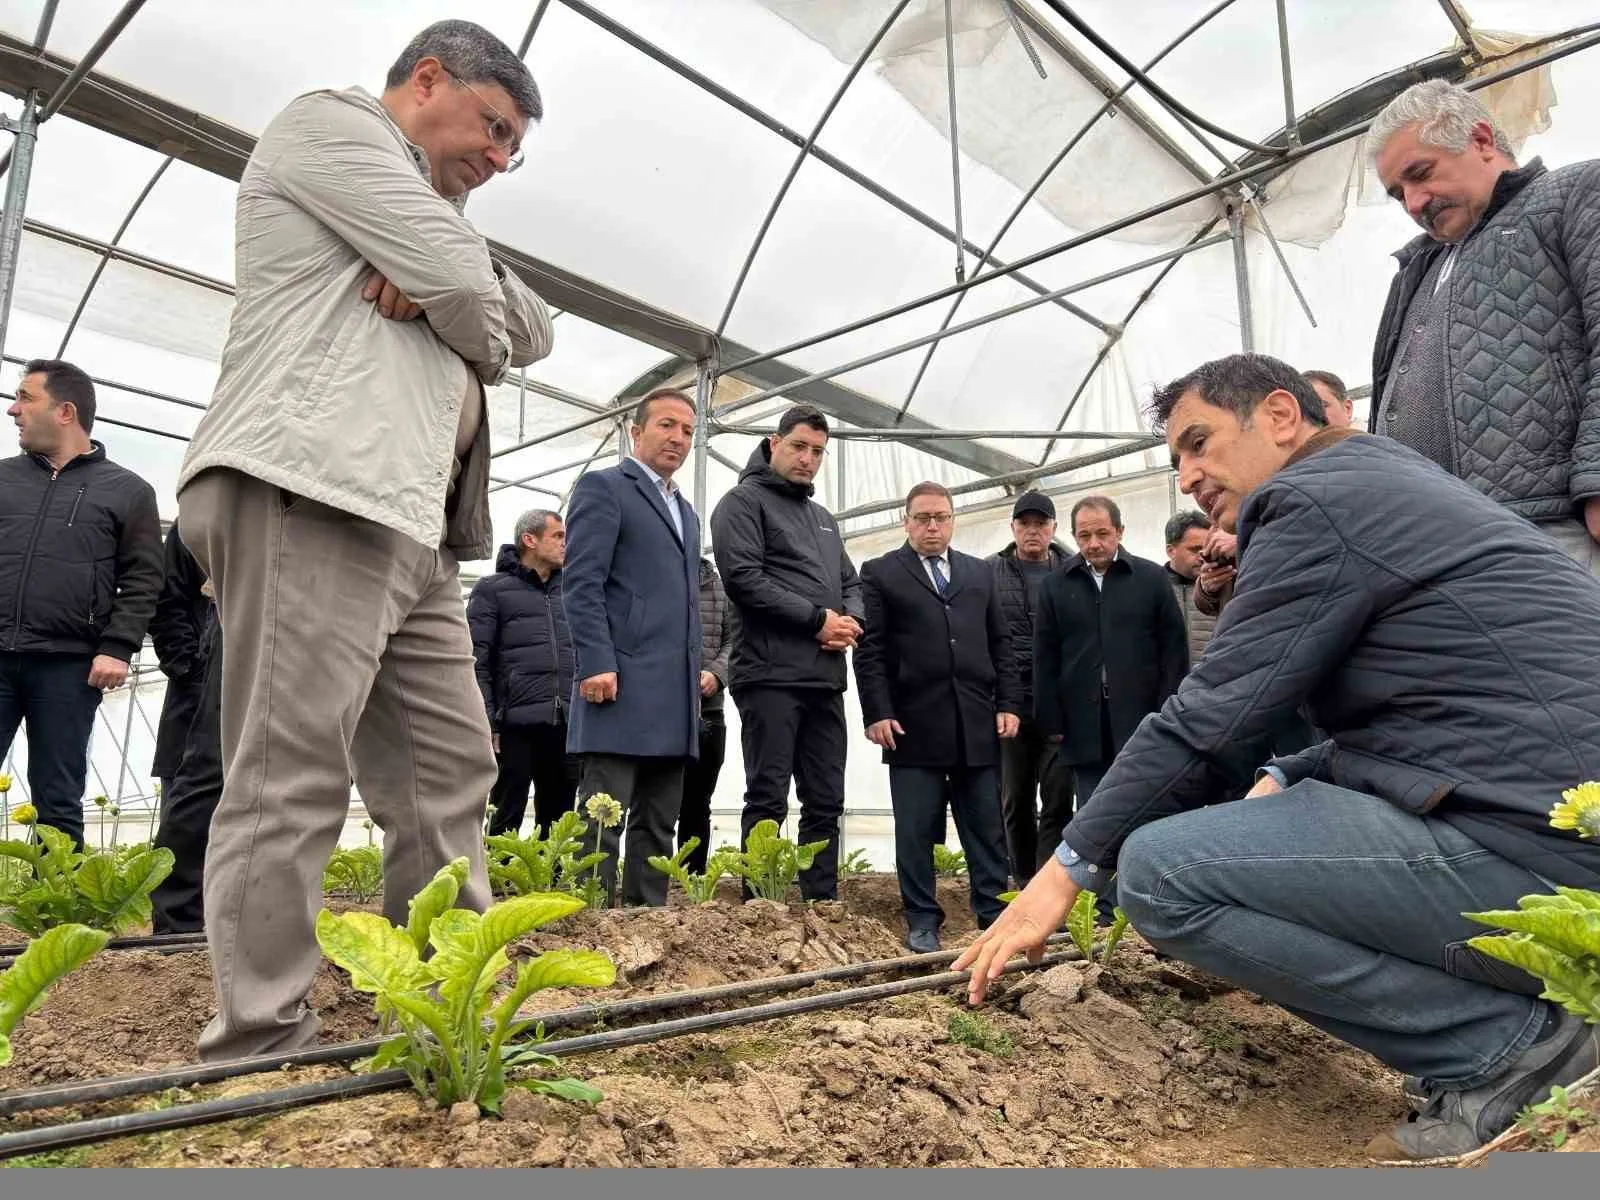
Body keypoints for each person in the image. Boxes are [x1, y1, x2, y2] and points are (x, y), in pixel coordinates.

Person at [959, 353, 1600, 1164]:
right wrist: (1293, 772)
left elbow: (1208, 717)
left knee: (1160, 872)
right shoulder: (1382, 480)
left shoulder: (1312, 500)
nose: (1189, 475)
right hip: (1552, 829)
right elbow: (1428, 716)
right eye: (1176, 461)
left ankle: (1514, 1053)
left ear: (1281, 416)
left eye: (1199, 442)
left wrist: (1062, 872)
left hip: (1547, 855)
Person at [173, 20, 554, 1059]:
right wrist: (455, 290)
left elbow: (534, 324)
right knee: (289, 772)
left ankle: (443, 1001)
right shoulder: (332, 129)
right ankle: (259, 1037)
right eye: (492, 126)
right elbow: (478, 294)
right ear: (427, 79)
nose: (498, 158)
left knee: (447, 774)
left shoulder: (426, 211)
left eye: (513, 145)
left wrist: (443, 287)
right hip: (315, 491)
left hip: (416, 532)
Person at [1369, 79, 1600, 573]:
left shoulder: (1573, 194)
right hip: (1440, 544)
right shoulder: (1421, 266)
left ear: (1480, 140)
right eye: (1397, 193)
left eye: (1420, 173)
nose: (1412, 203)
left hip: (1550, 524)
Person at [1, 360, 162, 847]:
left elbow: (143, 577)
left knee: (58, 797)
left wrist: (117, 646)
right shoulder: (3, 479)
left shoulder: (129, 491)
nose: (14, 410)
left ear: (65, 410)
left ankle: (52, 914)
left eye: (26, 398)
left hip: (69, 666)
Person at [854, 482, 1020, 952]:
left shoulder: (979, 573)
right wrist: (878, 712)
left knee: (986, 826)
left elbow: (1001, 643)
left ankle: (993, 911)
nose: (932, 526)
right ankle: (922, 919)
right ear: (905, 521)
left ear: (952, 521)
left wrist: (1008, 703)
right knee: (915, 829)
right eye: (923, 518)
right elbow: (871, 650)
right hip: (913, 725)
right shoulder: (882, 573)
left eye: (941, 517)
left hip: (976, 723)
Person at [711, 406, 863, 901]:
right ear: (773, 443)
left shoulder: (822, 519)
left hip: (823, 676)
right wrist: (819, 620)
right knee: (768, 794)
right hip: (769, 674)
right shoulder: (741, 503)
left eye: (818, 451)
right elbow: (744, 580)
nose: (808, 459)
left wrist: (851, 621)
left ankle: (821, 898)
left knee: (825, 796)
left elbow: (850, 582)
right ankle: (762, 902)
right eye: (799, 446)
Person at [564, 389, 701, 907]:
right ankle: (588, 919)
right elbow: (582, 583)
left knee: (659, 820)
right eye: (667, 425)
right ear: (636, 432)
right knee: (603, 815)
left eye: (688, 431)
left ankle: (648, 920)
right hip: (619, 681)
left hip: (672, 687)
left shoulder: (686, 512)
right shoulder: (604, 488)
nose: (678, 439)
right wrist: (597, 661)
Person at [1033, 496, 1188, 812]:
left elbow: (1173, 651)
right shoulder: (1055, 586)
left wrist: (1166, 711)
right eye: (1084, 535)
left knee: (1145, 806)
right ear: (1074, 535)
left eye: (1102, 533)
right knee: (1094, 811)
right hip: (1083, 722)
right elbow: (1045, 658)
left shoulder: (1150, 578)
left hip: (1142, 717)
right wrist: (1051, 721)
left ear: (1120, 531)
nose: (1093, 544)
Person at [467, 508, 577, 837]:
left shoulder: (573, 591)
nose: (565, 544)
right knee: (506, 810)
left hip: (567, 721)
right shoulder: (492, 590)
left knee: (559, 819)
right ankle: (502, 884)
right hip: (514, 724)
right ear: (530, 540)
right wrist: (487, 720)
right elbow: (476, 659)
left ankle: (552, 884)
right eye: (558, 536)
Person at [989, 491, 1072, 886]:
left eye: (1041, 523)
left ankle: (1048, 882)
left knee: (1058, 797)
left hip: (1060, 703)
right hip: (1012, 704)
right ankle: (1022, 880)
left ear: (1054, 529)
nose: (1033, 531)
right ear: (1013, 528)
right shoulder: (989, 573)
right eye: (1025, 523)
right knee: (1015, 798)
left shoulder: (1075, 572)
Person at [150, 616, 223, 934]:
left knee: (312, 773)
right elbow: (170, 590)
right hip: (259, 605)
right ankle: (177, 924)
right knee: (212, 765)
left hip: (354, 601)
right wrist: (186, 663)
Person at [676, 557, 736, 874]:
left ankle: (692, 877)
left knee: (698, 802)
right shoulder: (656, 580)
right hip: (665, 709)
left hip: (709, 710)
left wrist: (716, 673)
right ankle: (653, 880)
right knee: (657, 800)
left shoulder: (718, 586)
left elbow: (734, 639)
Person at [148, 523, 214, 804]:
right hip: (200, 688)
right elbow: (166, 599)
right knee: (186, 806)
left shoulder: (308, 517)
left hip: (279, 695)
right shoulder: (198, 519)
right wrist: (188, 666)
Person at [1162, 510, 1219, 663]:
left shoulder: (1222, 588)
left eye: (1207, 548)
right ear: (1171, 551)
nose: (1204, 556)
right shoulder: (1151, 589)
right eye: (1195, 550)